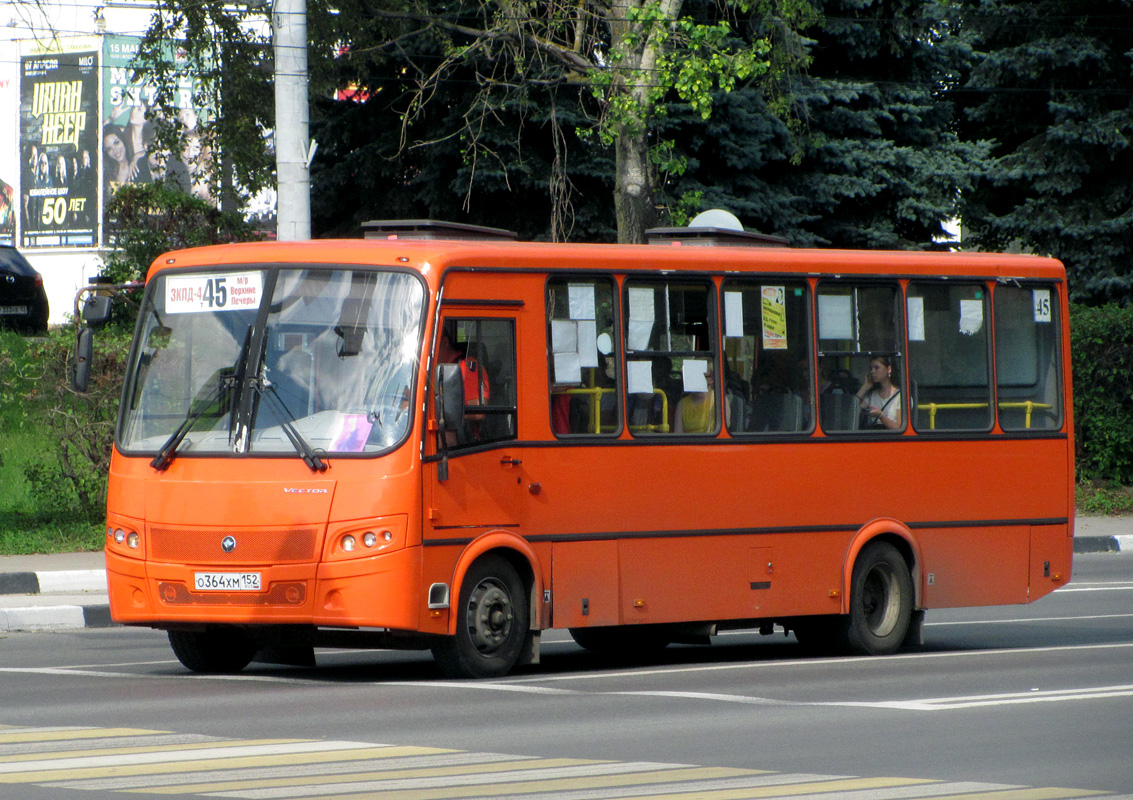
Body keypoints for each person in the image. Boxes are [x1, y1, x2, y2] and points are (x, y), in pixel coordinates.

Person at [855, 356, 902, 430]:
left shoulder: (900, 396)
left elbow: (900, 428)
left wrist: (881, 416)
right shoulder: (872, 396)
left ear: (889, 369)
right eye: (871, 368)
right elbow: (854, 410)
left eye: (876, 368)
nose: (872, 371)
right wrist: (865, 387)